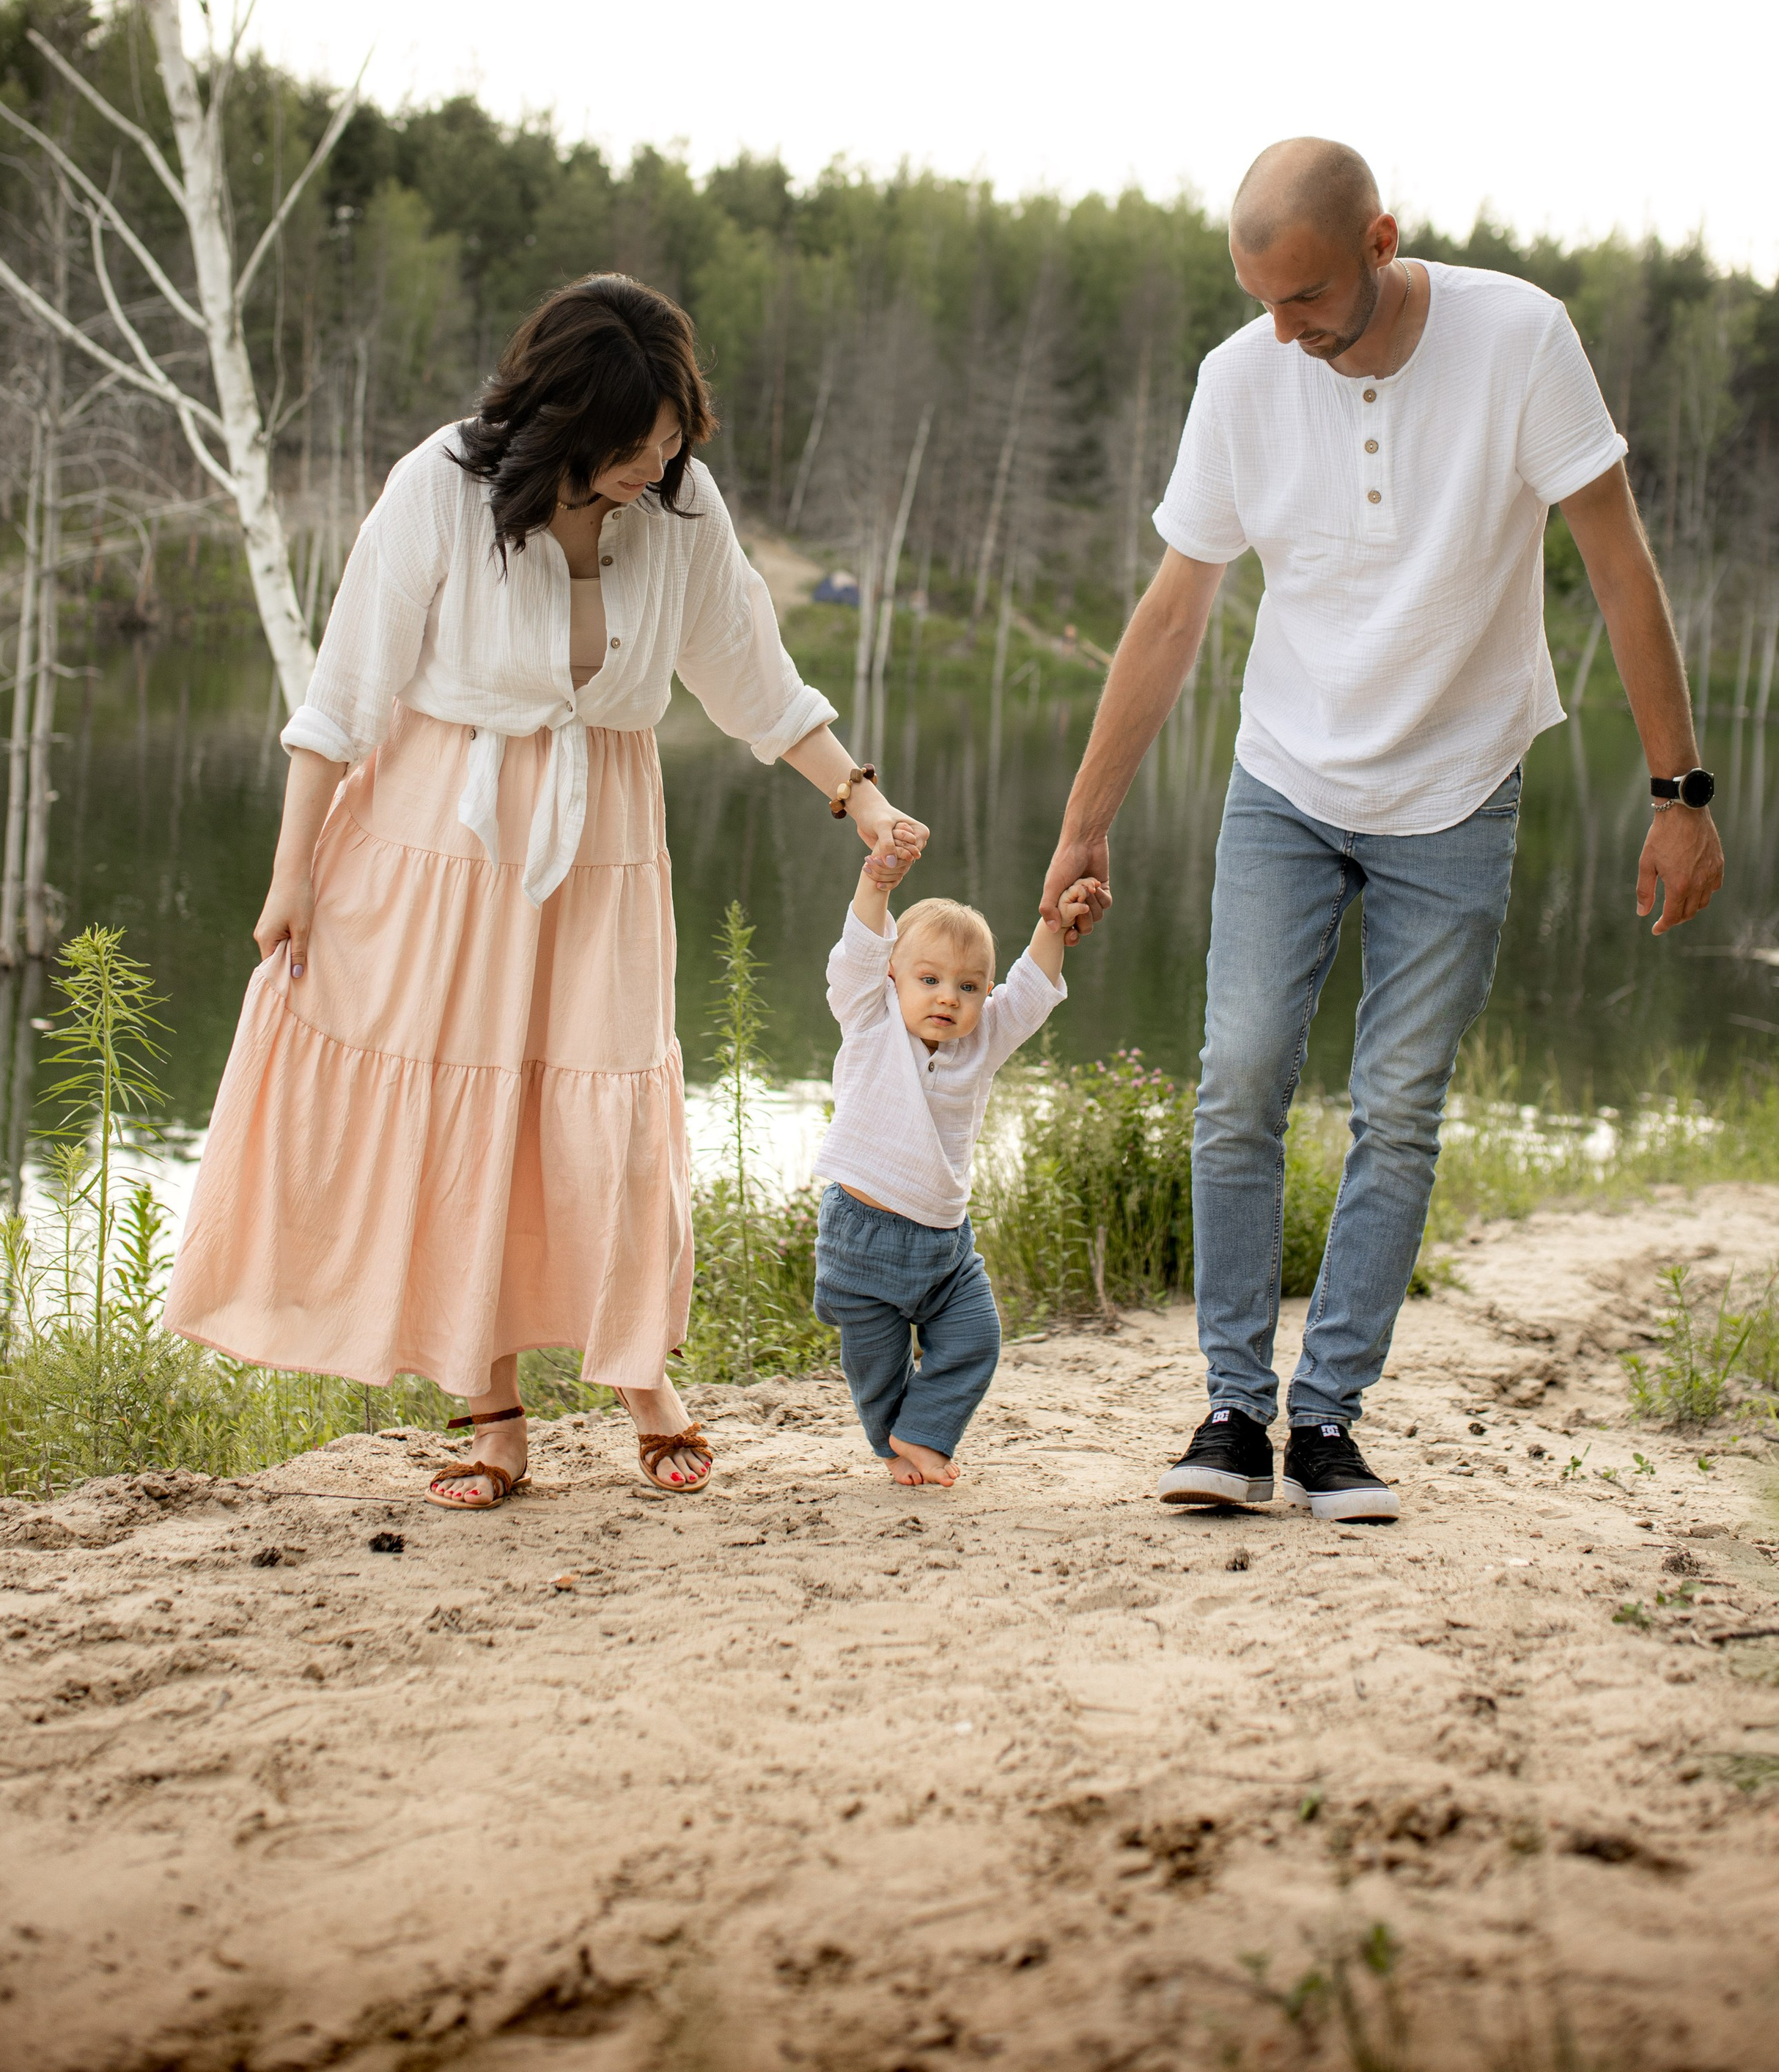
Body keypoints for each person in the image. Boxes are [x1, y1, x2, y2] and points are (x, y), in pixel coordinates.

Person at [1039, 139, 1723, 1525]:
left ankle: (1330, 1420)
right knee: (1236, 1083)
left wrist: (1679, 793)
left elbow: (1616, 553)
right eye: (1262, 302)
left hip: (1458, 790)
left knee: (1398, 1112)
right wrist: (1083, 826)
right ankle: (1233, 1410)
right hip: (1285, 777)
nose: (1284, 331)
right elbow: (1175, 611)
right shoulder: (1242, 377)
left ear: (1382, 242)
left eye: (1306, 300)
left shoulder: (1520, 339)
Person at [163, 276, 928, 1505]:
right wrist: (290, 875)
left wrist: (862, 799)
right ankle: (492, 1403)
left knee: (606, 1099)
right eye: (630, 449)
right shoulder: (439, 488)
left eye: (673, 441)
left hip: (603, 835)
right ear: (559, 426)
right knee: (473, 1110)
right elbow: (342, 699)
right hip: (441, 839)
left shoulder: (679, 505)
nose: (654, 467)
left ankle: (642, 1376)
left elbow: (753, 678)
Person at [812, 845, 1105, 1486]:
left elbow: (1031, 988)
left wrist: (1056, 921)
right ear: (893, 977)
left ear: (984, 994)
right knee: (876, 1364)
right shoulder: (869, 1018)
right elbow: (857, 953)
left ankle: (922, 1433)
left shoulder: (983, 1040)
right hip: (863, 1235)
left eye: (968, 986)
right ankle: (894, 1446)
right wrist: (875, 884)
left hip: (945, 1243)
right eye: (930, 980)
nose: (948, 998)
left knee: (976, 1338)